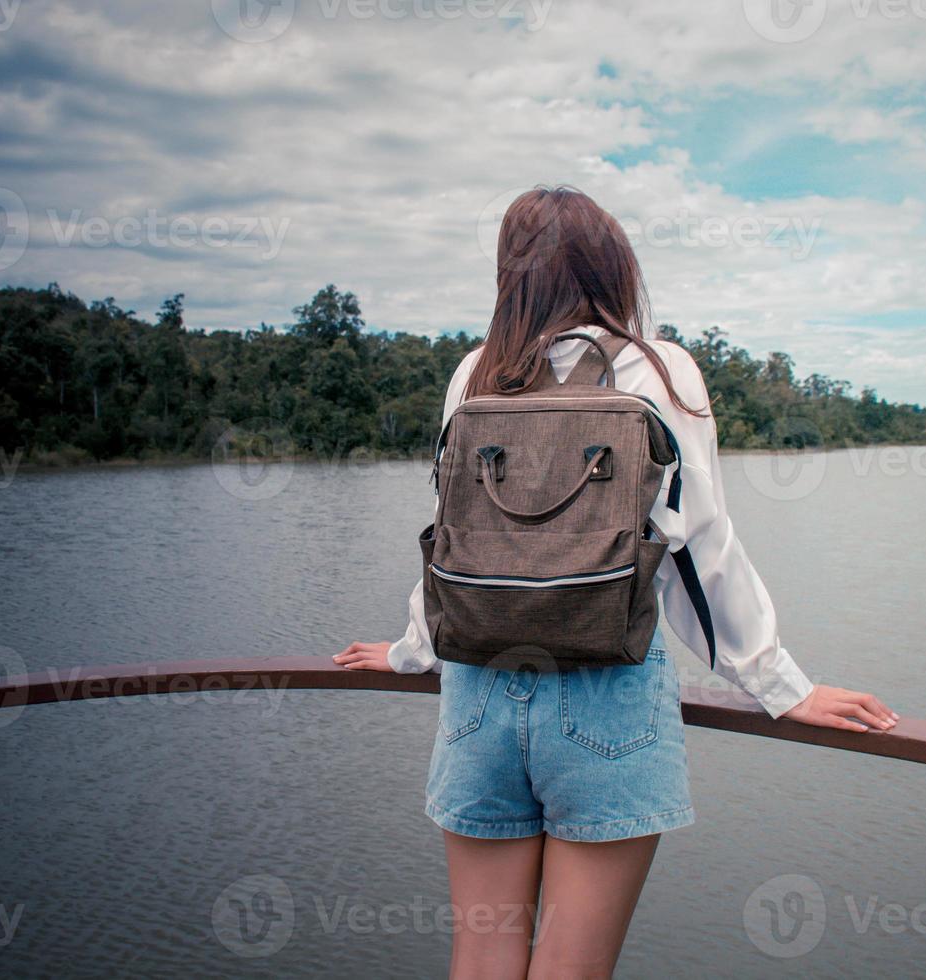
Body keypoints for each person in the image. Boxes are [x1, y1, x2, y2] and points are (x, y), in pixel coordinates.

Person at [336, 186, 897, 979]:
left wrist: (411, 649)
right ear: (614, 266)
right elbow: (698, 548)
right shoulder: (659, 369)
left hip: (478, 692)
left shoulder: (477, 370)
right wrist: (781, 686)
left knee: (482, 960)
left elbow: (451, 533)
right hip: (607, 688)